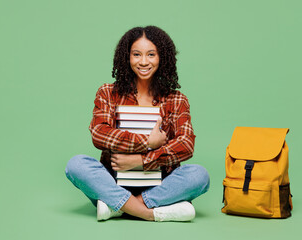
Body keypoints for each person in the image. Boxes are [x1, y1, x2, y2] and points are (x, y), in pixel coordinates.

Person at [65, 26, 210, 222]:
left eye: (151, 54)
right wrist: (148, 143)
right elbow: (99, 133)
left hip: (160, 184)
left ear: (162, 58)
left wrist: (142, 161)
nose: (143, 62)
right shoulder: (108, 92)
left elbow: (186, 144)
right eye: (136, 54)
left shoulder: (176, 99)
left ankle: (119, 207)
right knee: (76, 165)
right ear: (127, 57)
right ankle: (151, 214)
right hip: (114, 181)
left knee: (199, 176)